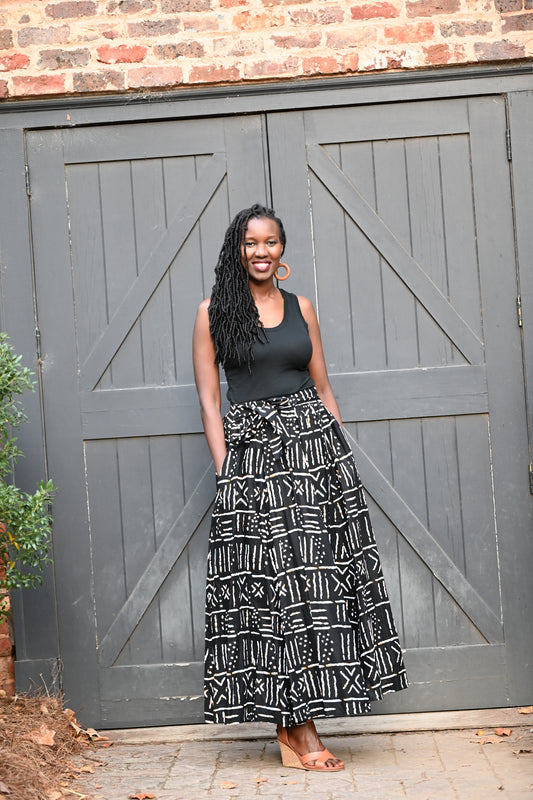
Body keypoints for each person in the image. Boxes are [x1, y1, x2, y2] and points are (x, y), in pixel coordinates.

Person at [192, 203, 408, 772]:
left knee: (315, 590)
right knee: (273, 595)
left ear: (281, 250)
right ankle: (299, 730)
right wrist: (225, 469)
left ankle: (296, 727)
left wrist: (341, 458)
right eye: (250, 242)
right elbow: (210, 399)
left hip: (314, 455)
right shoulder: (213, 313)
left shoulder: (301, 307)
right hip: (255, 463)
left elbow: (324, 387)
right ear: (235, 250)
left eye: (270, 242)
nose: (260, 251)